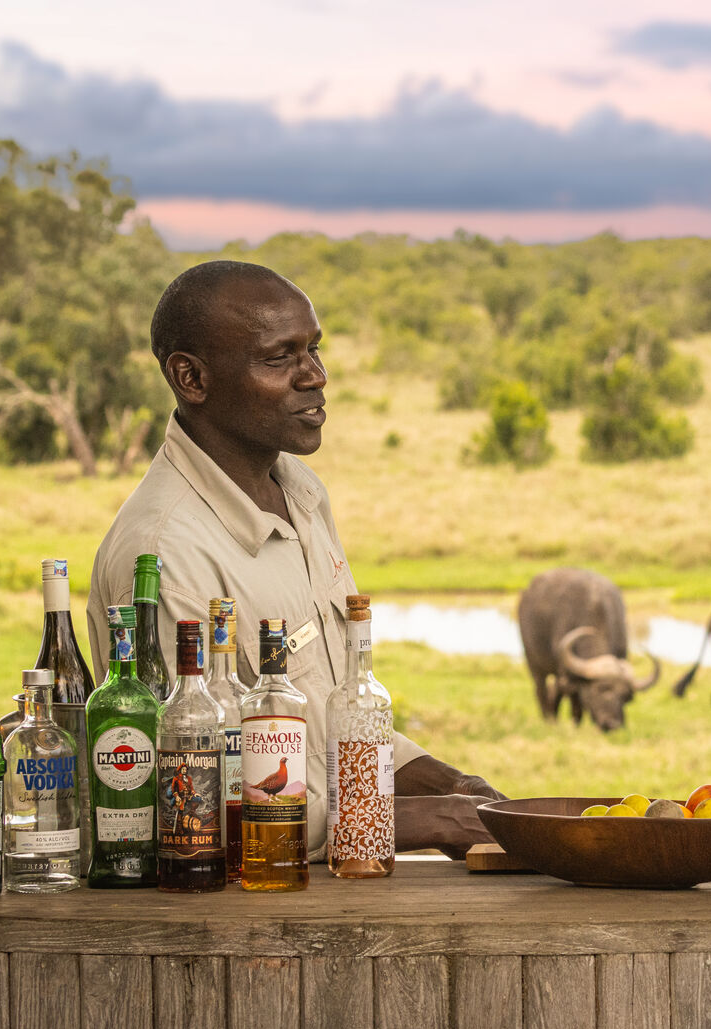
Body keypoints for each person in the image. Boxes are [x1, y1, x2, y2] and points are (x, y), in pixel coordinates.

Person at [88, 260, 502, 859]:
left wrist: (457, 789)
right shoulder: (165, 552)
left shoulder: (301, 488)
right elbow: (197, 808)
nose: (316, 377)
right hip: (232, 913)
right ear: (191, 378)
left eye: (314, 350)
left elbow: (335, 723)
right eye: (279, 358)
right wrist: (432, 822)